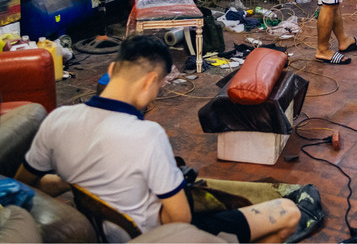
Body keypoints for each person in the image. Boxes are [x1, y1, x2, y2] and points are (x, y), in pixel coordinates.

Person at [15, 35, 300, 243]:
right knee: (288, 212)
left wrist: (78, 179)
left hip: (107, 232)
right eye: (158, 87)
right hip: (156, 236)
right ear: (151, 81)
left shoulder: (57, 120)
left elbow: (24, 183)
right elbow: (179, 221)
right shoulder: (147, 136)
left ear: (111, 70)